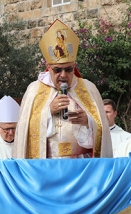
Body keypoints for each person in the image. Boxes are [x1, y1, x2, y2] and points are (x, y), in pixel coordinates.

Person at [13, 19, 112, 159]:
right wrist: (48, 112)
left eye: (68, 69)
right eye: (58, 70)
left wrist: (88, 122)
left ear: (74, 67)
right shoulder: (34, 90)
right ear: (49, 67)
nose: (63, 75)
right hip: (47, 166)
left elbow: (103, 129)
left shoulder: (88, 88)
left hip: (80, 167)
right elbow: (24, 130)